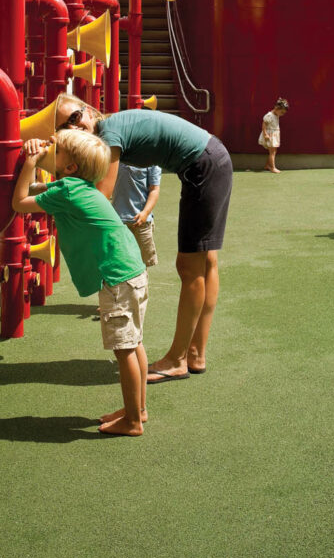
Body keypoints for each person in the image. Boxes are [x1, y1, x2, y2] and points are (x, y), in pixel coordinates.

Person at [55, 96, 233, 383]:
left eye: (75, 117)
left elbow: (102, 194)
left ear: (88, 110)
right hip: (211, 159)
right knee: (206, 261)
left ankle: (177, 360)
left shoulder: (108, 133)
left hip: (204, 165)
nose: (73, 128)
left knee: (190, 267)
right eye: (64, 127)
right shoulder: (112, 127)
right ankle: (196, 354)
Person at [12, 129, 148, 436]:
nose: (49, 150)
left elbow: (20, 202)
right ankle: (137, 409)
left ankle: (133, 422)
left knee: (124, 347)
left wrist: (30, 159)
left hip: (116, 276)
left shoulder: (68, 192)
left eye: (55, 150)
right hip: (132, 269)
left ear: (70, 167)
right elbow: (38, 188)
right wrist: (36, 163)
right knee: (135, 342)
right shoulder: (77, 187)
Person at [112, 163, 161, 268]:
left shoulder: (152, 160)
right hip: (117, 222)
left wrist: (145, 213)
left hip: (141, 223)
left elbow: (154, 189)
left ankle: (143, 284)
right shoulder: (116, 156)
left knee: (142, 264)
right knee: (119, 263)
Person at [259, 97, 289, 173]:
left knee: (273, 151)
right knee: (272, 152)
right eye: (282, 112)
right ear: (276, 108)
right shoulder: (270, 115)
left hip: (274, 135)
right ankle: (272, 168)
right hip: (270, 135)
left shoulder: (276, 115)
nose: (282, 114)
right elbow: (264, 124)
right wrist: (265, 134)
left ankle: (268, 165)